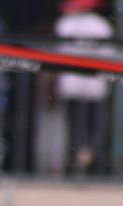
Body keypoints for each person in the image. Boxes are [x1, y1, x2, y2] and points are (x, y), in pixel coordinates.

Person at [55, 0, 113, 174]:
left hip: (73, 84)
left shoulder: (64, 24)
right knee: (96, 126)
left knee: (75, 127)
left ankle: (77, 163)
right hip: (94, 84)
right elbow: (109, 55)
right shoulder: (101, 25)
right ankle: (91, 162)